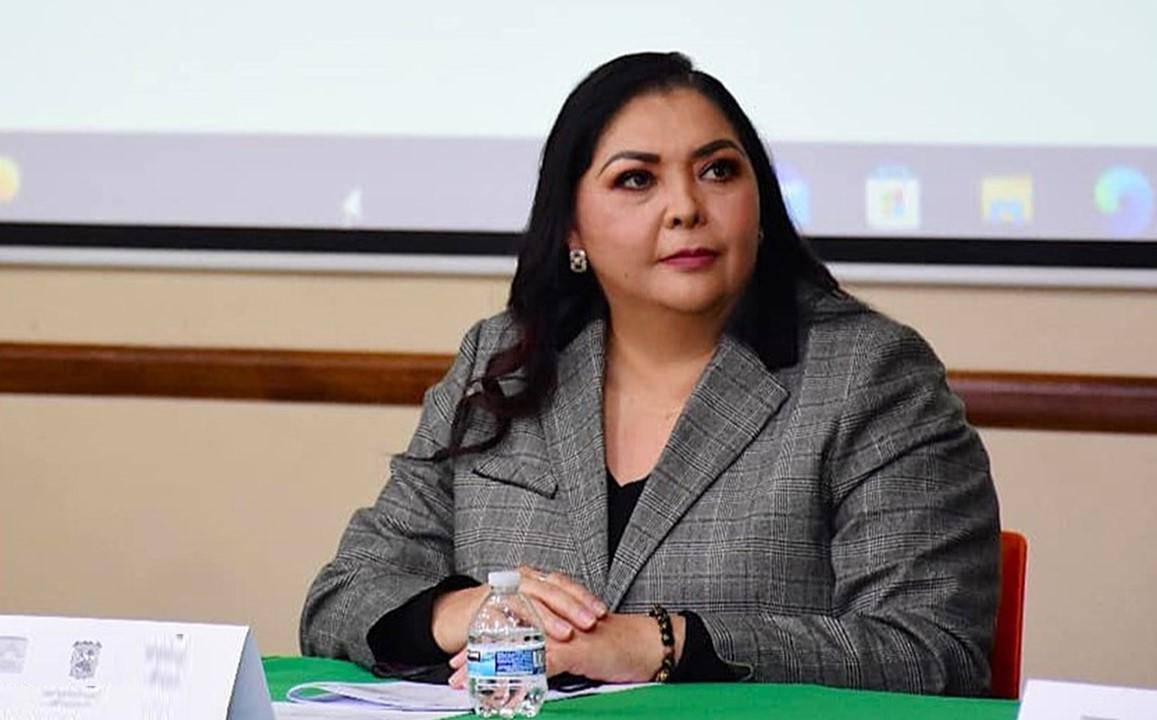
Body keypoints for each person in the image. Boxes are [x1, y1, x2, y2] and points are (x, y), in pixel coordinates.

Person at [300, 51, 1000, 696]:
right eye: (636, 179)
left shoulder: (870, 377)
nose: (687, 208)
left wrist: (661, 644)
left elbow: (932, 650)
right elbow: (342, 597)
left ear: (760, 203)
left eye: (718, 171)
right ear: (571, 229)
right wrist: (462, 611)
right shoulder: (505, 363)